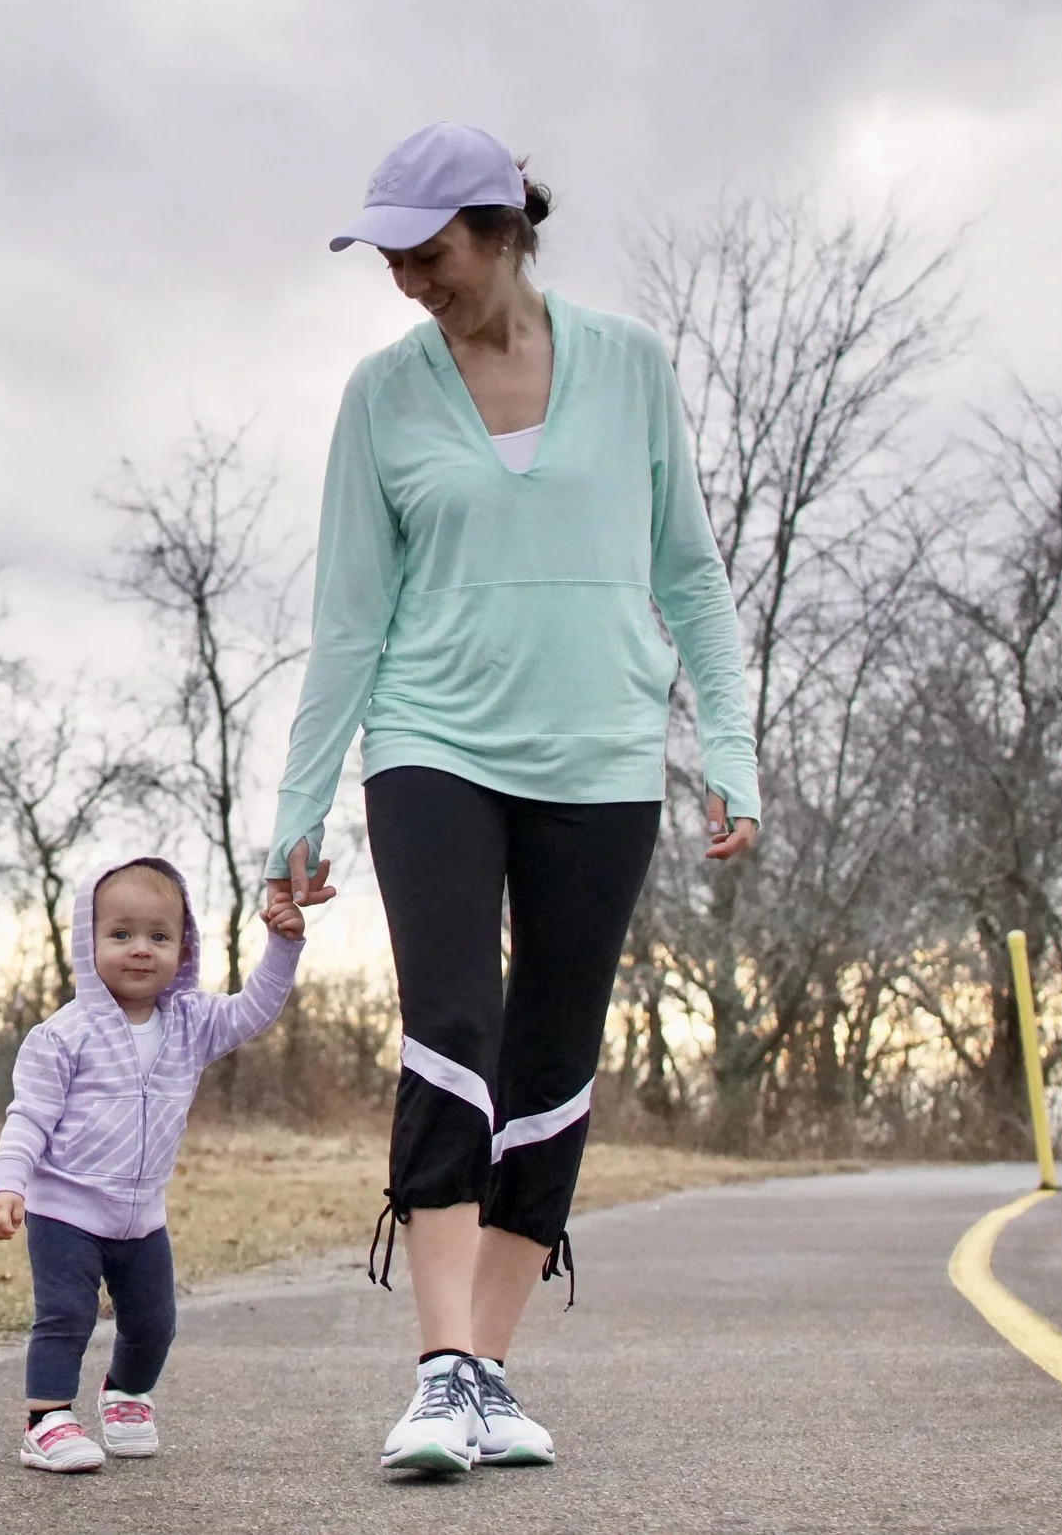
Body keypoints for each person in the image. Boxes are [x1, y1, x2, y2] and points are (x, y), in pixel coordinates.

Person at [264, 121, 761, 1477]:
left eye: (428, 253)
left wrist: (729, 746)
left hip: (600, 755)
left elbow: (691, 572)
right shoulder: (382, 394)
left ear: (502, 231)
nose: (408, 280)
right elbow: (349, 616)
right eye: (390, 259)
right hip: (431, 739)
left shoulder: (630, 366)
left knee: (552, 1051)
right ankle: (438, 1365)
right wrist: (299, 806)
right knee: (453, 1026)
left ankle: (485, 1364)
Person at [0, 856, 306, 1472]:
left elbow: (256, 1009)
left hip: (142, 1217)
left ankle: (127, 1396)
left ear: (183, 949)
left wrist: (283, 945)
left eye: (159, 936)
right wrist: (8, 1185)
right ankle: (46, 1419)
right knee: (66, 1316)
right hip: (64, 1210)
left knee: (154, 1322)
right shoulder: (62, 1036)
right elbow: (28, 1118)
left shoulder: (190, 1023)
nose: (140, 949)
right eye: (121, 934)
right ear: (89, 943)